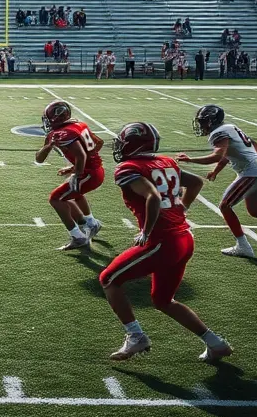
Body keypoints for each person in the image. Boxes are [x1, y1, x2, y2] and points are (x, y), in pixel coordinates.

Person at [100, 122, 233, 363]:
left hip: (163, 241)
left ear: (132, 144)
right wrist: (183, 205)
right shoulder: (166, 161)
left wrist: (145, 232)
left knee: (108, 279)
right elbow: (195, 183)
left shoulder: (128, 167)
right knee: (162, 300)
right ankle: (215, 343)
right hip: (185, 238)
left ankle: (136, 336)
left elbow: (152, 196)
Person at [178, 104, 257, 257]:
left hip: (251, 173)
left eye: (203, 121)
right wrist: (218, 170)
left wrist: (190, 159)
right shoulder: (230, 127)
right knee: (255, 210)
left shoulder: (218, 134)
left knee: (225, 206)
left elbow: (217, 156)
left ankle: (243, 246)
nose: (201, 125)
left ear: (212, 121)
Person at [35, 101, 106, 251]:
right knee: (74, 193)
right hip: (96, 170)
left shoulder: (61, 134)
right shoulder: (78, 125)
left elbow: (40, 159)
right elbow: (99, 143)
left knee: (56, 199)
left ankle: (78, 237)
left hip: (89, 174)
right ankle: (92, 224)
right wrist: (76, 167)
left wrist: (77, 173)